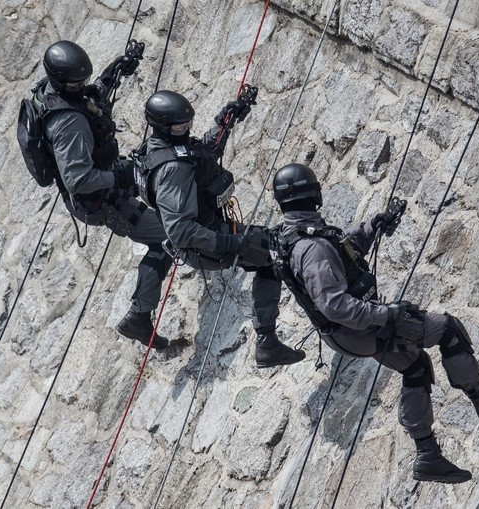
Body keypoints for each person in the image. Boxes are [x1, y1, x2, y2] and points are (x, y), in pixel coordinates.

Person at [269, 163, 479, 483]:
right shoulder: (311, 248)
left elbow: (344, 256)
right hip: (359, 327)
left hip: (349, 331)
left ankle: (427, 456)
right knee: (448, 330)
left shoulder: (296, 235)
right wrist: (388, 314)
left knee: (415, 364)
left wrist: (373, 226)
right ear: (311, 194)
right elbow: (335, 305)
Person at [132, 89, 305, 368]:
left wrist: (227, 118)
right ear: (163, 126)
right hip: (207, 244)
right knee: (272, 256)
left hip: (214, 231)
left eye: (187, 124)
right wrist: (229, 244)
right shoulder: (171, 170)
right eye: (180, 126)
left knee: (271, 244)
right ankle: (268, 343)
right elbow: (181, 231)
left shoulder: (164, 148)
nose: (185, 130)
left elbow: (202, 153)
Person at [33, 40, 170, 348]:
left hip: (105, 174)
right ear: (61, 82)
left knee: (154, 171)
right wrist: (119, 176)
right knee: (166, 241)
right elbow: (79, 180)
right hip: (99, 200)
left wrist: (117, 70)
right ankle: (139, 317)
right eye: (76, 82)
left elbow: (89, 98)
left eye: (85, 79)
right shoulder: (69, 124)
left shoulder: (55, 92)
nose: (82, 86)